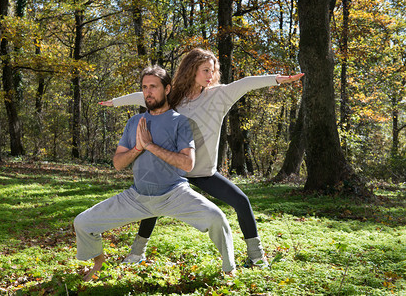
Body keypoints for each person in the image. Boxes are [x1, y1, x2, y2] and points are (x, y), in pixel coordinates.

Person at [99, 48, 304, 267]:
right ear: (191, 70)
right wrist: (115, 102)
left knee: (241, 201)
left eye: (213, 70)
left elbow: (246, 83)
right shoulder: (174, 97)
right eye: (205, 69)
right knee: (153, 205)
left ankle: (257, 257)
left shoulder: (220, 95)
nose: (210, 74)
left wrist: (277, 79)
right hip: (175, 171)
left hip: (204, 172)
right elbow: (143, 95)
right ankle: (137, 253)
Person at [74, 65, 236, 281]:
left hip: (174, 194)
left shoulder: (181, 122)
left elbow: (187, 164)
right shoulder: (134, 123)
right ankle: (98, 261)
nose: (148, 92)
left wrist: (151, 146)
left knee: (217, 219)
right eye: (144, 87)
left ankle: (229, 269)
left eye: (153, 86)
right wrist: (137, 149)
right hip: (136, 197)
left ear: (167, 89)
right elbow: (117, 163)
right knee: (82, 223)